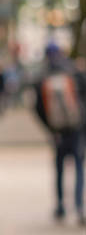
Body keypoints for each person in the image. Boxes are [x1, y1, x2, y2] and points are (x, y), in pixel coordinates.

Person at [33, 42, 86, 224]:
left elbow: (38, 108)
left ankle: (61, 206)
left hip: (57, 131)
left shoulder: (42, 76)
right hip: (76, 128)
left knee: (60, 168)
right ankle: (79, 206)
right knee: (79, 166)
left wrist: (50, 128)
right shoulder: (74, 71)